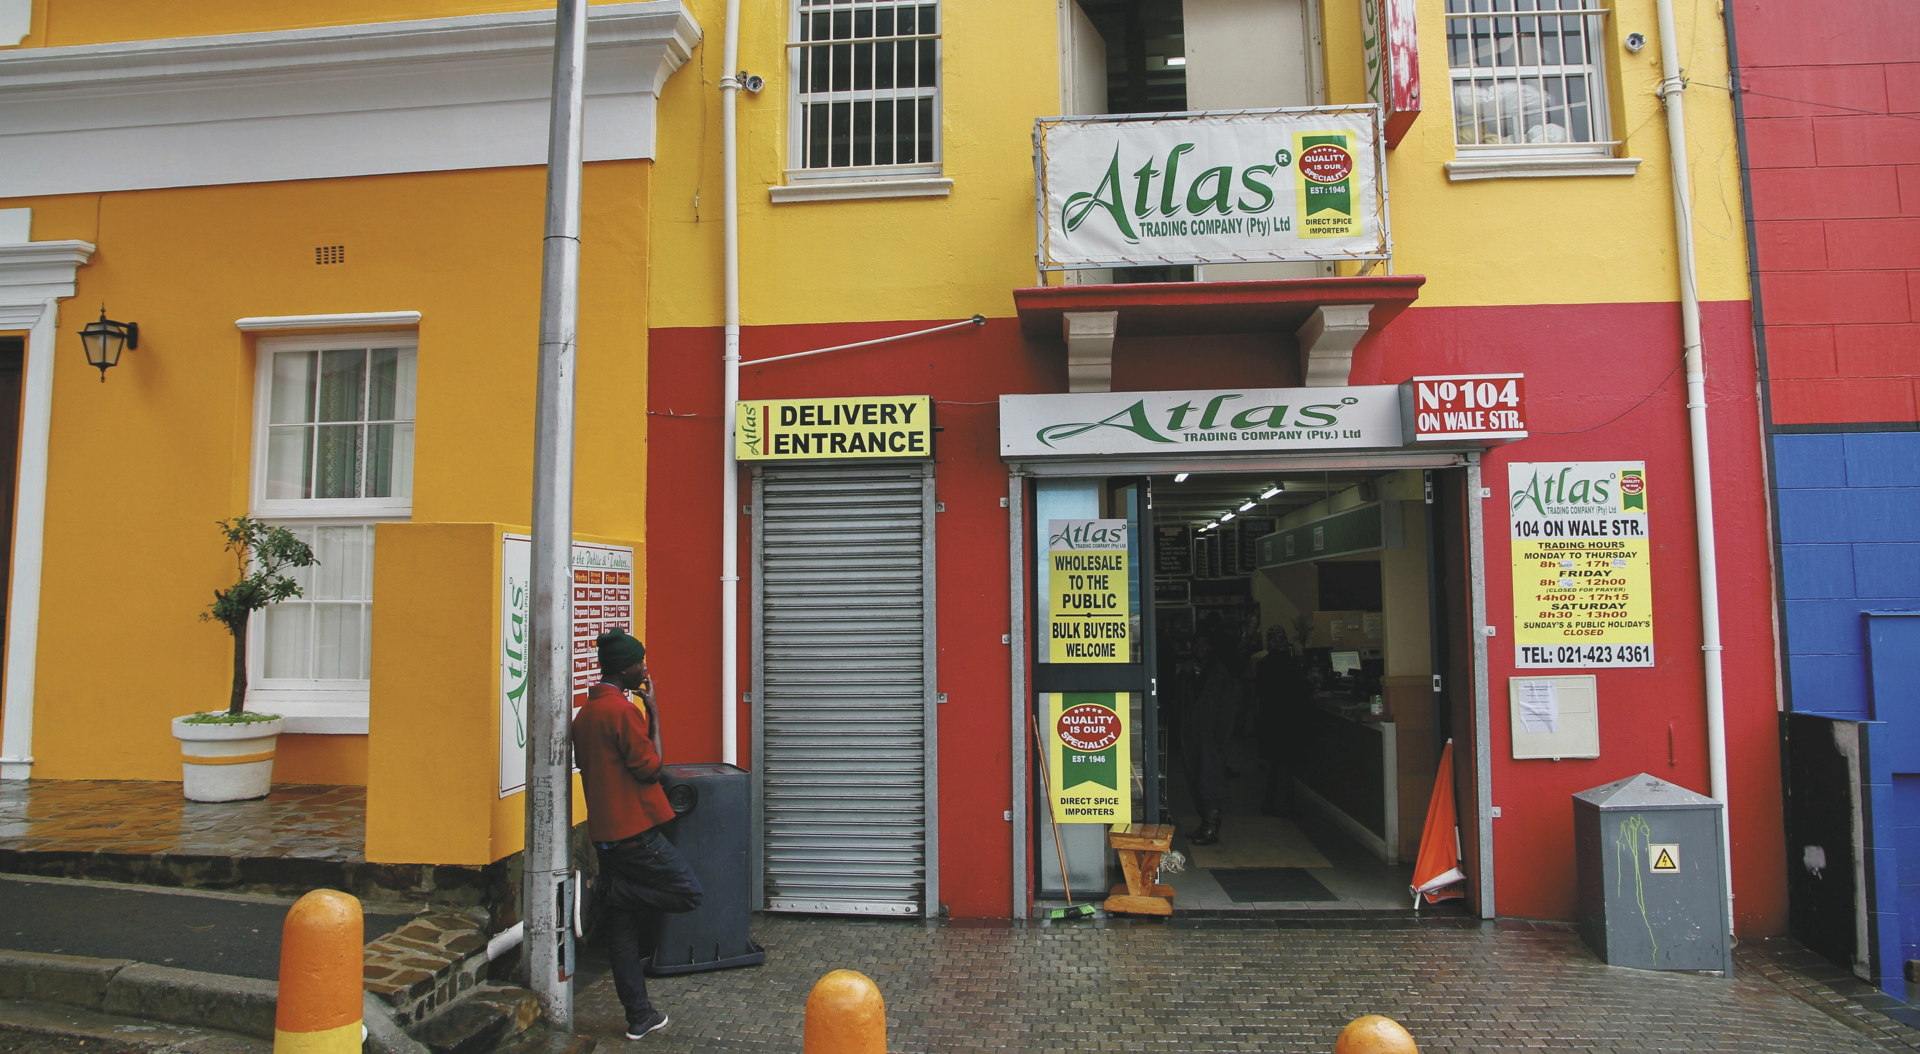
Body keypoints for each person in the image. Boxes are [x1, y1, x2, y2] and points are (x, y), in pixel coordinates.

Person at [572, 629, 703, 1042]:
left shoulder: (585, 715)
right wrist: (654, 712)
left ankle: (640, 1016)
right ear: (623, 669)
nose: (644, 669)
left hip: (605, 836)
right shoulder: (622, 712)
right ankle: (604, 891)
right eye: (639, 662)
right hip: (635, 835)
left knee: (623, 928)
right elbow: (652, 768)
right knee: (688, 893)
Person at [1253, 625, 1309, 815]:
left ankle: (1273, 804)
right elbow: (1303, 690)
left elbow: (1260, 692)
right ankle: (1284, 805)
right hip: (1290, 721)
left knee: (1276, 766)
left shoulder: (1263, 664)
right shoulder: (1292, 663)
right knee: (1285, 765)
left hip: (1271, 720)